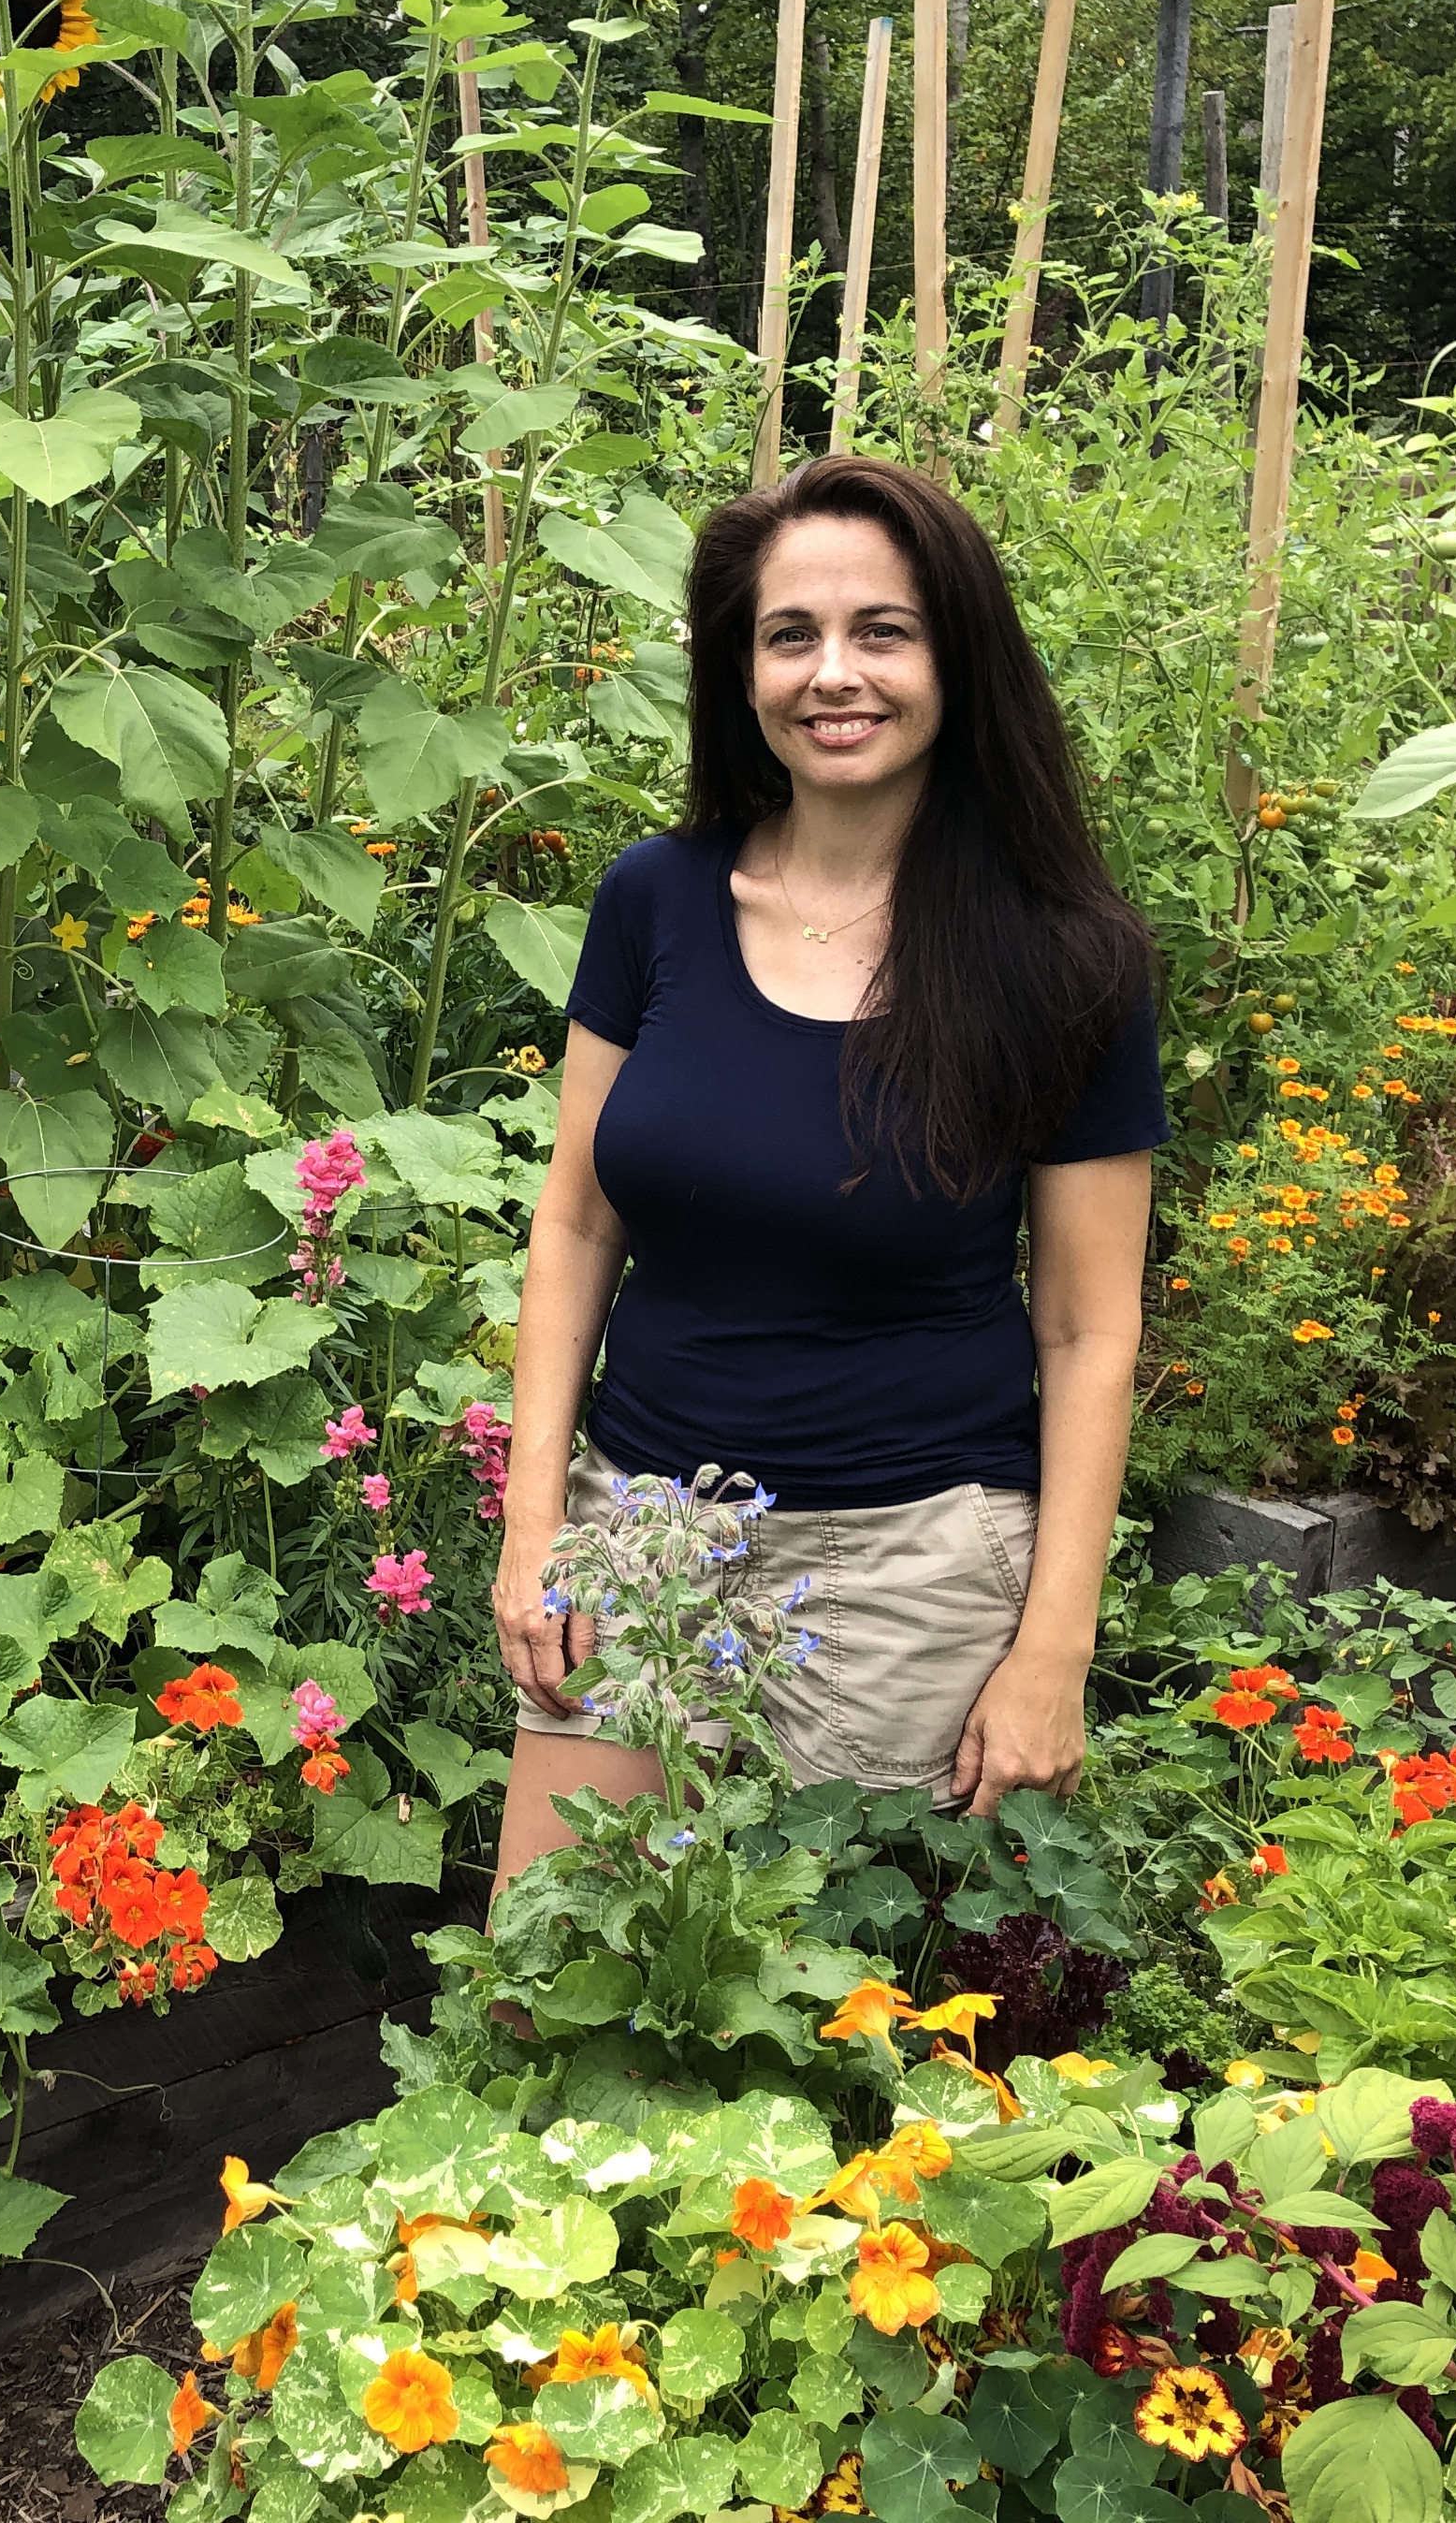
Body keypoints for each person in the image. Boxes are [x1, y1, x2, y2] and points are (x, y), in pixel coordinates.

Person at [489, 454, 1162, 1888]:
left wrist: (1054, 1647)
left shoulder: (1063, 959)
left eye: (883, 631)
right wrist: (537, 1524)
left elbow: (1087, 1329)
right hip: (639, 1542)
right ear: (743, 674)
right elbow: (578, 1222)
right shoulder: (655, 900)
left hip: (908, 1573)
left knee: (847, 2004)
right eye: (790, 634)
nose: (833, 673)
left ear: (957, 659)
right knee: (540, 1971)